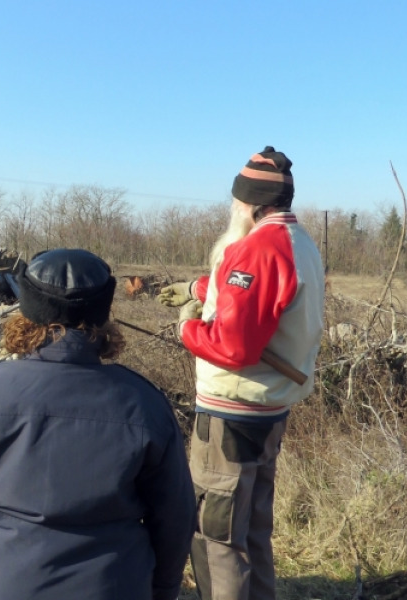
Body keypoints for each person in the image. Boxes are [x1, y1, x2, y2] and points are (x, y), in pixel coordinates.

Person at [0, 248, 195, 600]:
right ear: (104, 316)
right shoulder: (144, 403)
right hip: (113, 585)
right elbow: (175, 519)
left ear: (26, 312)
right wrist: (161, 589)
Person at [158, 147, 325, 600]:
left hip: (232, 415)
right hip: (270, 409)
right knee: (252, 531)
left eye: (236, 202)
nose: (233, 210)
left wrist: (187, 327)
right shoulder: (299, 243)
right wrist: (198, 288)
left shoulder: (257, 248)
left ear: (252, 203)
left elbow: (232, 346)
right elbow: (260, 297)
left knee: (215, 538)